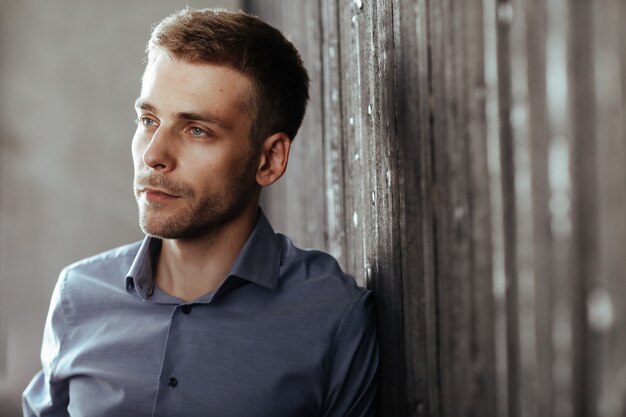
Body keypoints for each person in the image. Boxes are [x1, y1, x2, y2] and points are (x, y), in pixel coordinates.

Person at [22, 7, 378, 417]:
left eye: (197, 130)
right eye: (149, 119)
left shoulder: (334, 318)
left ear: (269, 160)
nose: (154, 155)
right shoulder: (78, 296)